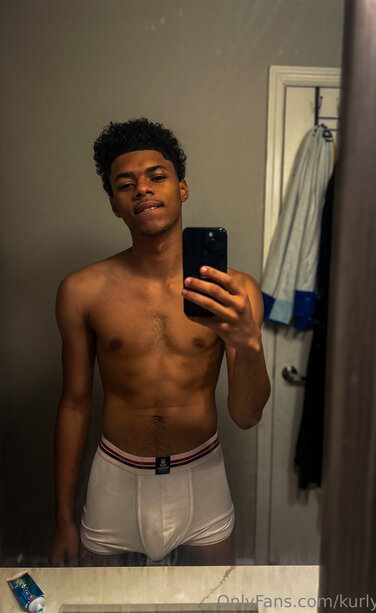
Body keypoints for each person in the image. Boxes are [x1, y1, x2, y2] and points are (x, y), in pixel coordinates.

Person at [51, 118, 271, 567]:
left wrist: (248, 341)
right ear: (114, 204)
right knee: (97, 601)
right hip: (115, 480)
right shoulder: (82, 291)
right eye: (125, 184)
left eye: (157, 176)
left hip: (202, 478)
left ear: (182, 188)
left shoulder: (235, 291)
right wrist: (63, 520)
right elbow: (74, 404)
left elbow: (247, 416)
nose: (143, 189)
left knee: (212, 600)